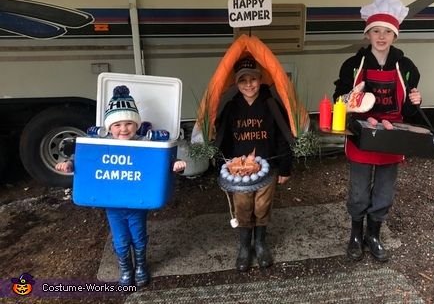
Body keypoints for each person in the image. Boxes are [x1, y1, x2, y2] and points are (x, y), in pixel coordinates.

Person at [56, 85, 186, 287]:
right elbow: (88, 160)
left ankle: (141, 265)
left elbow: (157, 163)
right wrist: (69, 165)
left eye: (128, 123)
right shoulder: (101, 143)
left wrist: (174, 165)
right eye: (117, 125)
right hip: (113, 204)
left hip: (137, 203)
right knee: (121, 239)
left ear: (136, 125)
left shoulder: (146, 142)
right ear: (109, 127)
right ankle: (126, 269)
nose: (123, 129)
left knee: (139, 236)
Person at [332, 0, 422, 262]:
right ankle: (356, 235)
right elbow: (339, 100)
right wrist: (352, 98)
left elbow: (408, 111)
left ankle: (374, 235)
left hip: (392, 134)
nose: (381, 37)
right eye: (376, 31)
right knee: (359, 190)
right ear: (368, 34)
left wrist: (415, 103)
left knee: (384, 190)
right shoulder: (352, 65)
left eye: (387, 32)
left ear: (395, 35)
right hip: (362, 132)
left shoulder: (405, 67)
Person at [215, 56, 292, 272]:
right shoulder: (231, 108)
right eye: (243, 80)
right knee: (242, 206)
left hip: (267, 167)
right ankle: (244, 246)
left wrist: (285, 167)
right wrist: (220, 167)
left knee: (262, 206)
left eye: (253, 79)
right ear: (236, 83)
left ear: (260, 79)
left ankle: (260, 243)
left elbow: (282, 137)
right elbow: (224, 139)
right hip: (239, 172)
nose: (249, 85)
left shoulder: (271, 104)